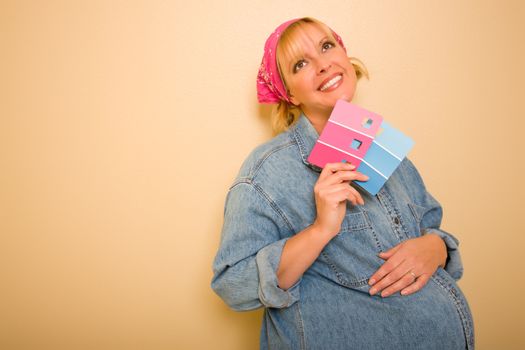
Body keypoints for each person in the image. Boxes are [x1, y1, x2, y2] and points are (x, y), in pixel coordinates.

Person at [211, 17, 474, 350]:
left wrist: (437, 248)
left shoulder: (382, 146)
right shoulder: (265, 173)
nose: (323, 65)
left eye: (326, 46)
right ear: (288, 93)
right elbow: (233, 285)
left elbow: (430, 226)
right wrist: (320, 229)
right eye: (301, 63)